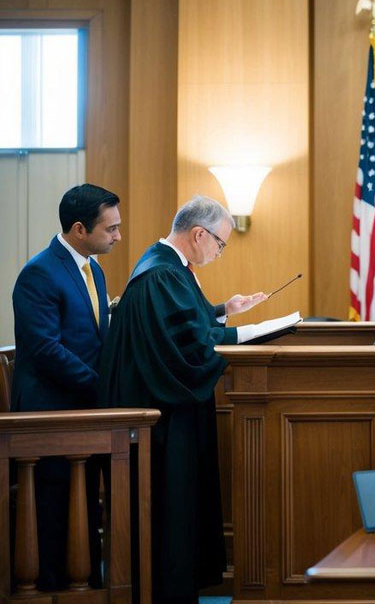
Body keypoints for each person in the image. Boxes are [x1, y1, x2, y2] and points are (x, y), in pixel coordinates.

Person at [97, 196, 267, 603]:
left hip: (165, 410)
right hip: (163, 420)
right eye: (220, 244)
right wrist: (247, 334)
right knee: (170, 513)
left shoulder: (168, 267)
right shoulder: (162, 274)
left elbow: (185, 322)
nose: (219, 252)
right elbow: (188, 345)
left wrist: (224, 311)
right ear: (198, 234)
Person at [11, 183, 121, 590]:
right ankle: (53, 588)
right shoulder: (40, 272)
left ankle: (88, 582)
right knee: (55, 506)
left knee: (86, 503)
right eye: (110, 229)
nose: (117, 236)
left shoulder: (94, 269)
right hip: (49, 411)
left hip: (85, 409)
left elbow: (97, 336)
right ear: (79, 229)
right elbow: (45, 349)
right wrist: (101, 386)